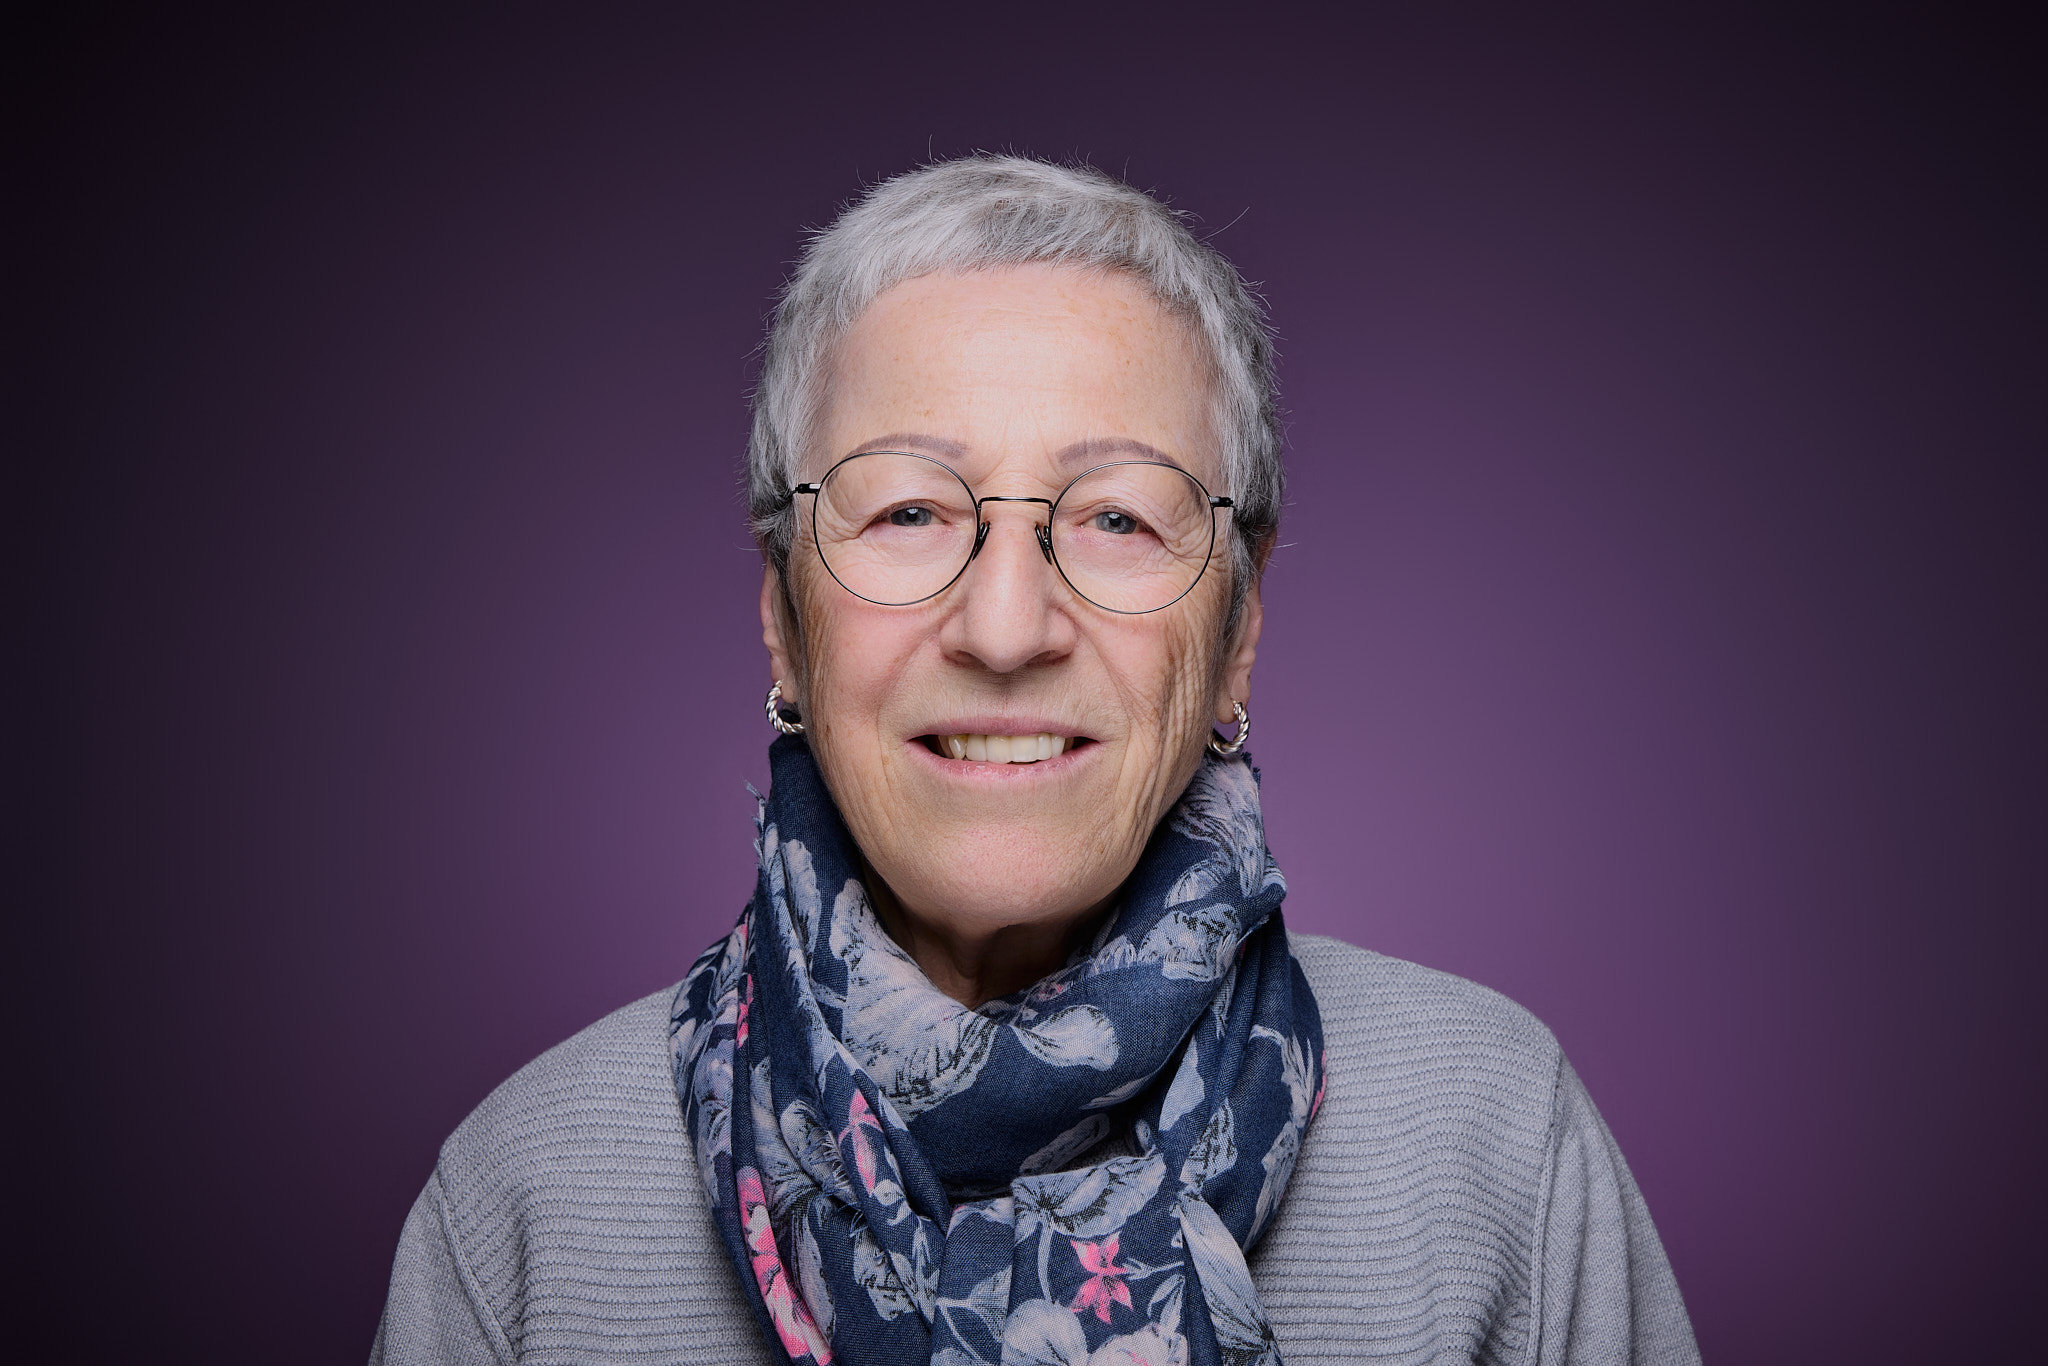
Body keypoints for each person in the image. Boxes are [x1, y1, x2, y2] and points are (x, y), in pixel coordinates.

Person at [371, 155, 1699, 1366]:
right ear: (784, 617)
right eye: (908, 509)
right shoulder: (526, 1205)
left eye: (1118, 517)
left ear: (1237, 631)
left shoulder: (1494, 1145)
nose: (1006, 629)